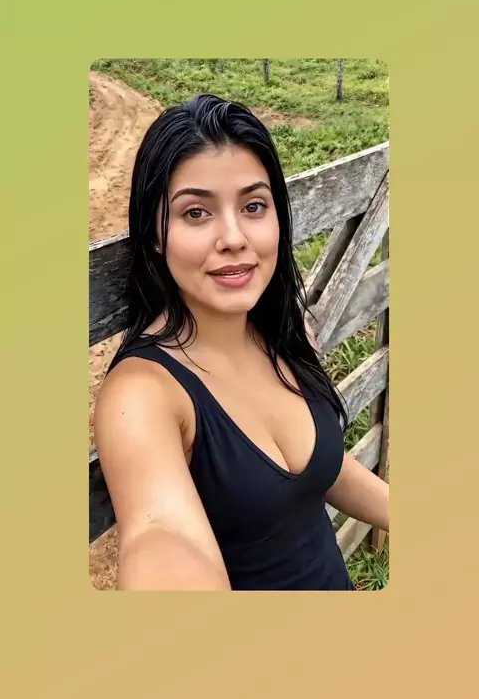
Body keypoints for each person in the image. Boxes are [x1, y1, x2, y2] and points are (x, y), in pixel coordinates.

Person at [94, 94, 389, 591]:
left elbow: (320, 469)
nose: (233, 237)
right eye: (195, 213)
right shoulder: (142, 396)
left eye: (254, 206)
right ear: (156, 235)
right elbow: (162, 538)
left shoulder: (283, 333)